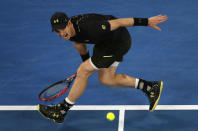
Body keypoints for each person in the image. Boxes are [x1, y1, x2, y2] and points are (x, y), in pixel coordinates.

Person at [38, 12, 168, 123]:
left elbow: (119, 22)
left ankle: (62, 110)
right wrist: (87, 64)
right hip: (104, 43)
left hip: (117, 42)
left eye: (63, 28)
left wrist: (146, 21)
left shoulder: (90, 27)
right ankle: (150, 87)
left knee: (82, 71)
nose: (62, 33)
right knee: (106, 79)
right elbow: (80, 46)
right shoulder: (70, 33)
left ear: (70, 23)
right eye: (58, 31)